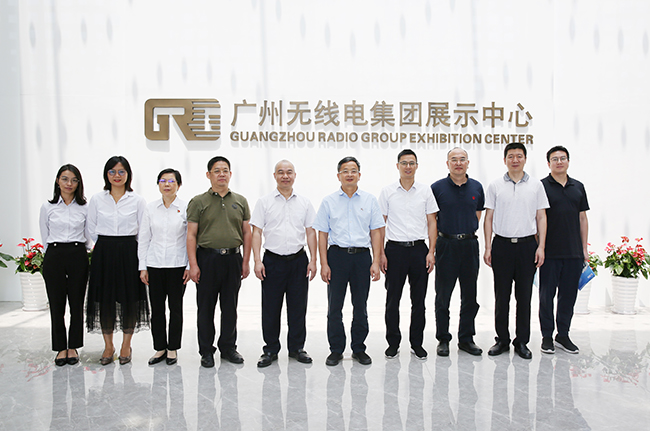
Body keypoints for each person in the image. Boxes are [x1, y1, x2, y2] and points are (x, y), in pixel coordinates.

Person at [313, 156, 385, 366]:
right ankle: (336, 349)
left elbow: (376, 232)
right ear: (338, 176)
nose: (349, 174)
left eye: (353, 170)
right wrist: (324, 264)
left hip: (362, 257)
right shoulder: (328, 201)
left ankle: (359, 348)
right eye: (345, 171)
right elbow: (322, 234)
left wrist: (375, 261)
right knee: (334, 306)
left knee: (360, 305)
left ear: (359, 175)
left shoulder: (370, 200)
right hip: (337, 257)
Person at [483, 143, 549, 360]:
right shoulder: (495, 185)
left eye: (519, 156)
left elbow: (541, 217)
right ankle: (502, 340)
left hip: (527, 246)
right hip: (501, 246)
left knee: (524, 297)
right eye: (510, 156)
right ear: (504, 160)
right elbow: (488, 218)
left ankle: (522, 341)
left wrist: (541, 246)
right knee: (501, 296)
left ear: (525, 159)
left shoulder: (536, 186)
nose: (515, 160)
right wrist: (488, 246)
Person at [250, 160, 318, 367]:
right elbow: (256, 232)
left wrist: (314, 260)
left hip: (298, 261)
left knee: (298, 307)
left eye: (289, 172)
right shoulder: (264, 202)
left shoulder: (304, 202)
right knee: (271, 308)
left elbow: (310, 232)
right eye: (281, 172)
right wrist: (257, 260)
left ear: (295, 175)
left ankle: (297, 348)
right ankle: (270, 349)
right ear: (275, 176)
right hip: (272, 261)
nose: (285, 176)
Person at [187, 156, 252, 368]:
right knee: (205, 308)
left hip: (233, 259)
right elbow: (191, 235)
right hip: (207, 259)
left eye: (225, 170)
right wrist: (193, 264)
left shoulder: (240, 201)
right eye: (217, 170)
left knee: (230, 306)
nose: (221, 174)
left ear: (230, 174)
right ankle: (206, 350)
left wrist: (246, 261)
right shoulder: (198, 202)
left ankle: (228, 348)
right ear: (208, 175)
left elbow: (246, 232)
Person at [86, 156, 149, 365]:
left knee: (129, 300)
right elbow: (91, 228)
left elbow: (143, 233)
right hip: (104, 252)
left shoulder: (137, 200)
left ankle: (126, 345)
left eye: (121, 171)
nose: (117, 176)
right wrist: (106, 246)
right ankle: (108, 346)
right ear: (106, 175)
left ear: (128, 175)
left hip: (129, 251)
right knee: (105, 301)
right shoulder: (97, 199)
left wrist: (141, 263)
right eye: (112, 171)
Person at [379, 149, 438, 360]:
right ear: (397, 166)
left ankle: (417, 343)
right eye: (404, 163)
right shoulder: (387, 192)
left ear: (417, 166)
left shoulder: (425, 191)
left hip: (419, 250)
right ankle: (393, 343)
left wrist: (431, 251)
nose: (408, 167)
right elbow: (380, 225)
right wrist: (380, 253)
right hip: (394, 250)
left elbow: (432, 222)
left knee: (419, 300)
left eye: (411, 163)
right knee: (392, 299)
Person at [431, 148, 485, 357]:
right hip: (446, 244)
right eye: (454, 159)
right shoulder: (437, 188)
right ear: (447, 163)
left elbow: (477, 214)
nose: (458, 163)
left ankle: (466, 338)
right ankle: (443, 339)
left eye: (462, 159)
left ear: (468, 163)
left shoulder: (477, 187)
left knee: (470, 295)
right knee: (443, 295)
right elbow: (432, 220)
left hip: (469, 244)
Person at [539, 146, 589, 354]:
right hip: (549, 253)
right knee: (546, 296)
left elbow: (582, 218)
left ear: (568, 161)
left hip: (573, 253)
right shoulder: (541, 186)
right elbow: (538, 218)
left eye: (562, 158)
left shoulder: (578, 186)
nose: (559, 162)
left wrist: (584, 249)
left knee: (568, 296)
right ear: (548, 163)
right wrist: (540, 247)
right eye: (554, 159)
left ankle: (563, 335)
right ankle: (546, 337)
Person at [39, 164, 90, 366]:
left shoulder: (85, 208)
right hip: (55, 255)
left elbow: (89, 234)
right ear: (57, 181)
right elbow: (44, 235)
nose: (69, 183)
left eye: (74, 180)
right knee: (56, 304)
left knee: (77, 304)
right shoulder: (48, 207)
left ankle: (73, 346)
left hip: (78, 254)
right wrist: (51, 256)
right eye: (65, 179)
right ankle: (61, 347)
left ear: (79, 183)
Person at [138, 168, 190, 366]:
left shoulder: (186, 207)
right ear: (158, 184)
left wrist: (189, 265)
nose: (167, 184)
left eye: (171, 181)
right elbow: (144, 238)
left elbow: (190, 239)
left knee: (176, 309)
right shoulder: (150, 208)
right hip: (155, 265)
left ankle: (173, 348)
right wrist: (143, 266)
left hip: (178, 265)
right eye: (162, 181)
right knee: (157, 309)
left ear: (179, 185)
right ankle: (160, 347)